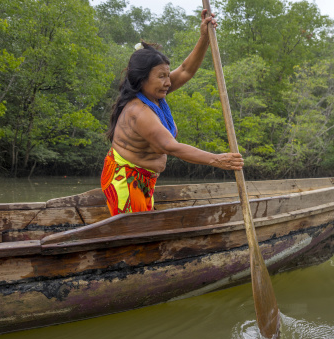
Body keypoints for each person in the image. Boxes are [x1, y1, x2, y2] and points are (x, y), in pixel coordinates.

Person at [101, 9, 243, 216]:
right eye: (161, 76)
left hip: (144, 179)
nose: (168, 82)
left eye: (168, 75)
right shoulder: (138, 112)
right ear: (141, 79)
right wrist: (216, 159)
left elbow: (186, 70)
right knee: (137, 237)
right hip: (125, 180)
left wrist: (204, 37)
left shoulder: (154, 95)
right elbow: (170, 146)